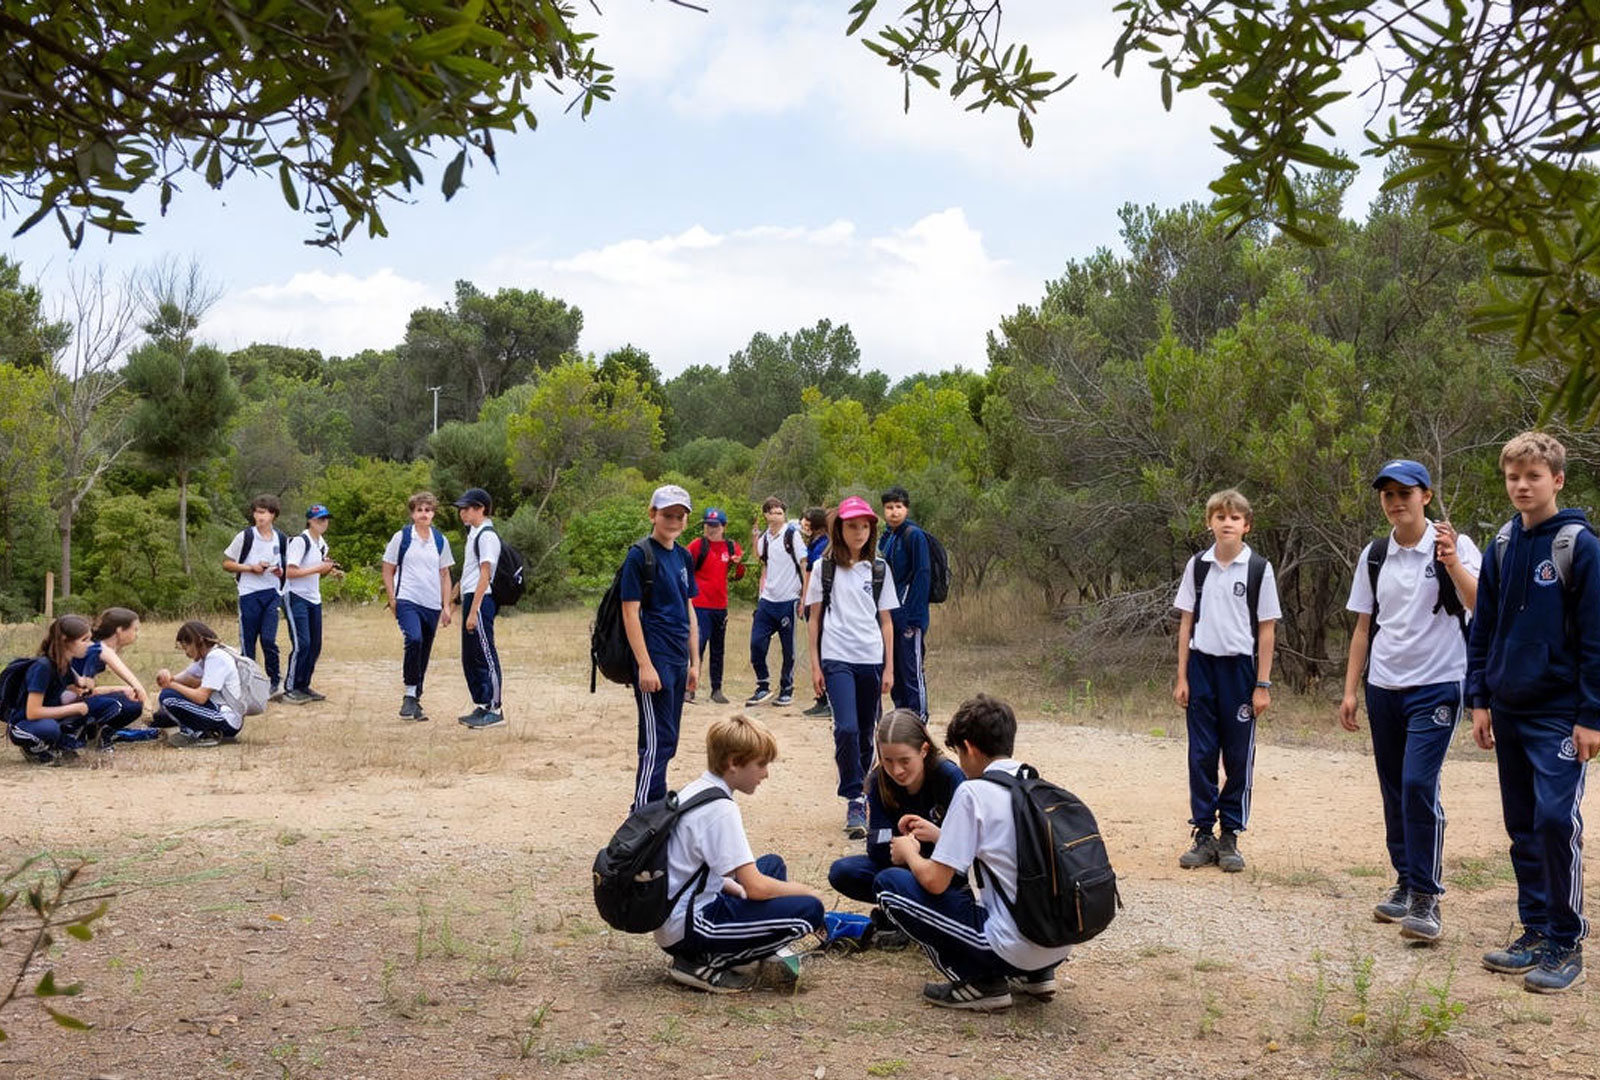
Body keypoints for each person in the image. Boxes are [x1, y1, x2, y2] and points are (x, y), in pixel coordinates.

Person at [1468, 431, 1600, 994]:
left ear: (1558, 480)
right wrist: (1478, 698)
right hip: (1508, 705)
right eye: (1513, 477)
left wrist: (1592, 714)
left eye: (1533, 476)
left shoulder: (1580, 545)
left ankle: (1565, 939)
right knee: (1522, 826)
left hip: (1560, 712)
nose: (1522, 485)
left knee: (1554, 820)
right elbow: (1485, 627)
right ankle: (1535, 930)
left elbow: (1597, 636)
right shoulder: (1502, 544)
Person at [1340, 459, 1481, 943]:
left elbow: (1480, 603)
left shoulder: (1454, 545)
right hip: (1384, 686)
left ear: (1426, 494)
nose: (1396, 502)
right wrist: (1350, 690)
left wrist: (1451, 562)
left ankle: (1426, 895)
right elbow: (1363, 627)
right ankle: (1404, 880)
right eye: (1387, 494)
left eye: (1406, 492)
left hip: (1438, 683)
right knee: (1394, 789)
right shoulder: (1375, 554)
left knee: (1419, 783)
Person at [873, 694, 1071, 1012]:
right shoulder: (1035, 784)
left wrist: (910, 853)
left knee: (889, 883)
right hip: (1058, 942)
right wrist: (941, 835)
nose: (961, 765)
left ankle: (980, 982)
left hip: (1011, 943)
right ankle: (1035, 974)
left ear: (970, 748)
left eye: (959, 754)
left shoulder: (973, 790)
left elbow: (936, 883)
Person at [655, 714, 826, 993]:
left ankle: (742, 943)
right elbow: (756, 888)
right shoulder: (721, 810)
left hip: (677, 912)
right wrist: (806, 891)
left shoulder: (697, 789)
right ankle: (703, 963)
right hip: (692, 926)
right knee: (809, 911)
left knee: (772, 864)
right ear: (733, 763)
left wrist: (730, 885)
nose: (766, 773)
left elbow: (690, 866)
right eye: (761, 764)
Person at [1172, 488, 1280, 873]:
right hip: (1202, 668)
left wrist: (1262, 685)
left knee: (1237, 756)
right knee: (1201, 754)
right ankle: (1203, 833)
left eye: (1235, 518)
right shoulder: (1197, 566)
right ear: (1210, 523)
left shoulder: (1258, 569)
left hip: (1240, 672)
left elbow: (1266, 630)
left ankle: (1230, 833)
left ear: (1246, 525)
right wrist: (1182, 675)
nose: (1227, 523)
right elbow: (1186, 623)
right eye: (1220, 517)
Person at [827, 708, 964, 946]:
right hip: (897, 866)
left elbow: (969, 846)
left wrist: (934, 837)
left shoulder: (949, 777)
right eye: (888, 760)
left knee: (891, 877)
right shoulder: (879, 780)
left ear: (924, 750)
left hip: (944, 872)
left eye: (904, 760)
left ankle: (913, 917)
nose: (897, 770)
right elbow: (876, 848)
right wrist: (905, 842)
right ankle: (901, 912)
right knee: (843, 871)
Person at [805, 496, 898, 838]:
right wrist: (815, 665)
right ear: (838, 529)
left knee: (866, 730)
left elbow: (886, 621)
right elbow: (814, 620)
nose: (858, 532)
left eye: (864, 526)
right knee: (845, 728)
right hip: (837, 657)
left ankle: (860, 797)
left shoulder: (878, 569)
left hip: (871, 658)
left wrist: (889, 667)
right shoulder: (823, 568)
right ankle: (853, 791)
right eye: (851, 526)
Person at [621, 484, 700, 809]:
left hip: (679, 660)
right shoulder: (640, 555)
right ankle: (641, 812)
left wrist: (695, 662)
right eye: (668, 514)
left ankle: (655, 805)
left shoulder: (682, 556)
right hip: (655, 659)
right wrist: (644, 664)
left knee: (669, 738)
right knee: (655, 741)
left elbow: (689, 609)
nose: (674, 520)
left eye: (680, 515)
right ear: (653, 514)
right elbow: (630, 611)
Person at [8, 615, 127, 763]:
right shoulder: (43, 667)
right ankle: (34, 748)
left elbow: (83, 689)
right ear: (65, 641)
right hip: (26, 724)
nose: (89, 645)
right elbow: (33, 712)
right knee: (49, 728)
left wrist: (88, 685)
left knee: (110, 705)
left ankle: (68, 741)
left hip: (52, 716)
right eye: (84, 640)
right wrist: (75, 708)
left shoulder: (64, 665)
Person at [382, 492, 455, 722]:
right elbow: (388, 568)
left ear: (433, 513)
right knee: (414, 639)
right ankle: (409, 694)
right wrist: (392, 598)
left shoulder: (440, 540)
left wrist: (446, 606)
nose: (424, 514)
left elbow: (445, 574)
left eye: (428, 510)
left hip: (432, 603)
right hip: (407, 599)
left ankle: (416, 699)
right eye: (419, 510)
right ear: (413, 513)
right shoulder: (402, 537)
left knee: (424, 650)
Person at [222, 494, 288, 699]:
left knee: (269, 639)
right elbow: (227, 563)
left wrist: (280, 571)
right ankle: (247, 685)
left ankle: (275, 682)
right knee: (248, 642)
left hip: (272, 592)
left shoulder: (281, 538)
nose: (259, 516)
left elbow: (286, 566)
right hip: (249, 593)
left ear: (273, 515)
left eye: (264, 512)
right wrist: (251, 568)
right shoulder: (245, 536)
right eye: (256, 512)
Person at [878, 486, 932, 719]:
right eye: (889, 508)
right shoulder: (889, 536)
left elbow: (923, 573)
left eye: (898, 507)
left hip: (910, 616)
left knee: (911, 670)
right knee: (895, 669)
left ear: (906, 509)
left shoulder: (914, 535)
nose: (894, 512)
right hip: (892, 614)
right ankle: (903, 715)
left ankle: (919, 717)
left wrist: (912, 613)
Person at [282, 503, 343, 705]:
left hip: (313, 597)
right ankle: (290, 688)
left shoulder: (322, 543)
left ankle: (304, 684)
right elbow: (290, 572)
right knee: (302, 644)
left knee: (315, 645)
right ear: (310, 521)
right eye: (319, 519)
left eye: (326, 519)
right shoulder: (301, 542)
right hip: (296, 596)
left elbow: (319, 569)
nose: (323, 523)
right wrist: (318, 568)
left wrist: (329, 570)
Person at [454, 487, 504, 729]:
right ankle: (482, 703)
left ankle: (495, 708)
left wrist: (474, 611)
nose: (463, 513)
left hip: (481, 599)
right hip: (471, 597)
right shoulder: (473, 534)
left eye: (468, 508)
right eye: (462, 509)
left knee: (485, 654)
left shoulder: (487, 536)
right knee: (471, 656)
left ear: (481, 509)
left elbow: (485, 575)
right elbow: (468, 574)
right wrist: (453, 602)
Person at [747, 497, 804, 707]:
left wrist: (803, 598)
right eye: (772, 512)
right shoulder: (765, 538)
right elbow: (759, 556)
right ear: (766, 515)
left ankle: (786, 688)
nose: (776, 515)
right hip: (767, 600)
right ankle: (763, 685)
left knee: (788, 648)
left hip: (788, 600)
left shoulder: (792, 535)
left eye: (780, 512)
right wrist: (755, 538)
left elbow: (804, 563)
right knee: (756, 643)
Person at [686, 507, 745, 706]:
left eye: (715, 525)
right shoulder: (697, 545)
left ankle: (716, 689)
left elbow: (737, 576)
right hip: (699, 604)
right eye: (707, 525)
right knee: (697, 646)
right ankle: (689, 688)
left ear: (723, 527)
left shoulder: (731, 547)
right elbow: (683, 569)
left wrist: (738, 564)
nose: (710, 529)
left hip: (720, 605)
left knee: (718, 649)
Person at [154, 620, 245, 748]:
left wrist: (170, 685)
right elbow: (181, 677)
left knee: (168, 698)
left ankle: (200, 734)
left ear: (198, 641)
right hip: (218, 712)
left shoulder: (216, 657)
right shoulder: (206, 657)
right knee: (161, 714)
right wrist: (166, 678)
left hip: (226, 719)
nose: (186, 653)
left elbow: (201, 697)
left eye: (186, 647)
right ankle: (197, 732)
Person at [70, 607, 150, 737]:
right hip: (65, 702)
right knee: (132, 704)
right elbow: (137, 686)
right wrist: (148, 707)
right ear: (120, 630)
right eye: (135, 629)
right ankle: (92, 731)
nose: (137, 634)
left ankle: (92, 730)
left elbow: (85, 690)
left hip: (71, 697)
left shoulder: (95, 646)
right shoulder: (102, 649)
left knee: (127, 696)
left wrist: (118, 689)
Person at [800, 506, 832, 718]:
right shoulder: (818, 543)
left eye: (807, 520)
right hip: (816, 602)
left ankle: (826, 699)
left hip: (817, 603)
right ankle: (822, 698)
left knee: (822, 648)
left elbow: (811, 575)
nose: (803, 523)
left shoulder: (821, 545)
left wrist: (805, 601)